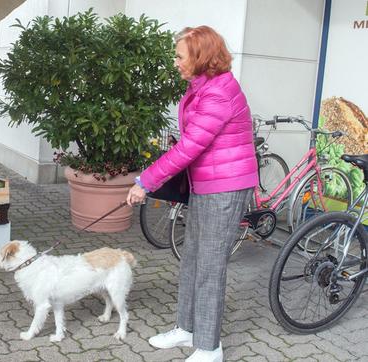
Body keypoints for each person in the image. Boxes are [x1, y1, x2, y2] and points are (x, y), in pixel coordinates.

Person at [126, 26, 258, 362]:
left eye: (180, 56)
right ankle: (186, 329)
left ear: (200, 58)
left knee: (210, 266)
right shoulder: (203, 87)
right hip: (207, 185)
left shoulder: (217, 93)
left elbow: (188, 148)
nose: (175, 62)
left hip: (225, 189)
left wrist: (145, 182)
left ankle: (210, 347)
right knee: (193, 260)